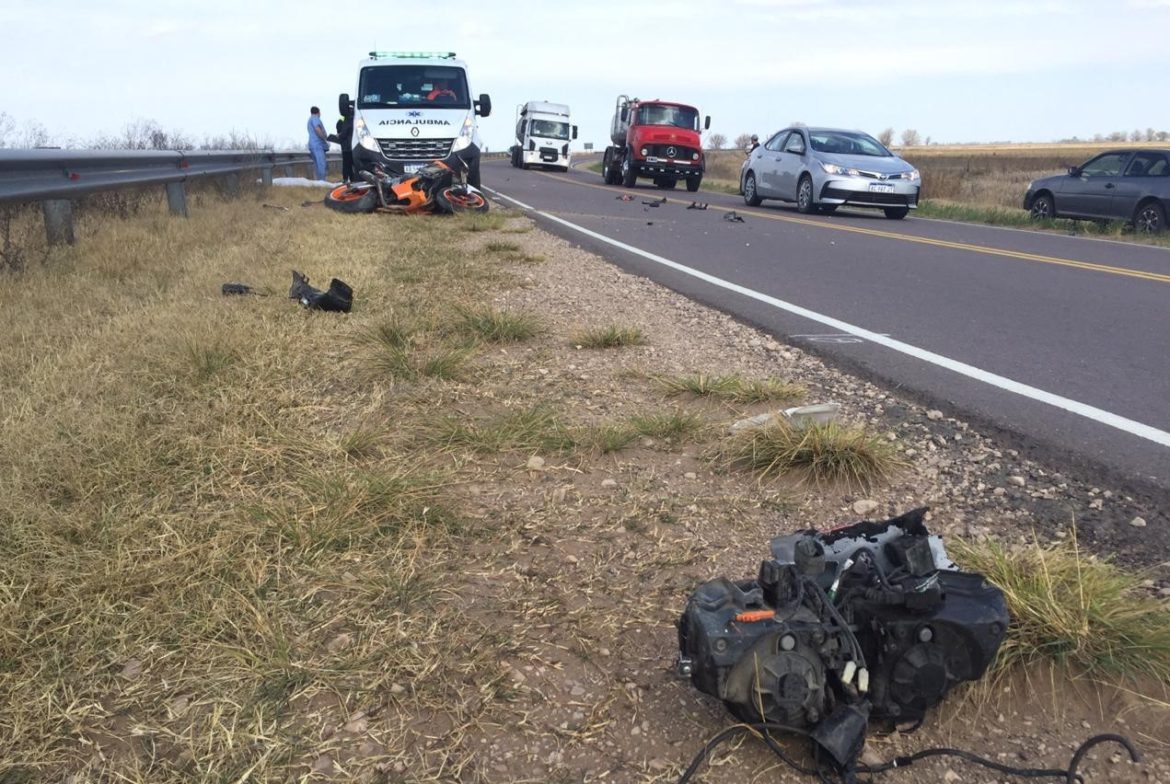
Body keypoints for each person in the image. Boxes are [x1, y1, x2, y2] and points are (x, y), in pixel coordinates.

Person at [306, 106, 329, 181]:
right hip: (318, 145)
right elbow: (317, 129)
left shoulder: (310, 119)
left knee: (316, 165)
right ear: (318, 112)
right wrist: (324, 137)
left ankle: (318, 182)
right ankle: (322, 181)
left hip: (313, 145)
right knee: (321, 164)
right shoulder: (315, 118)